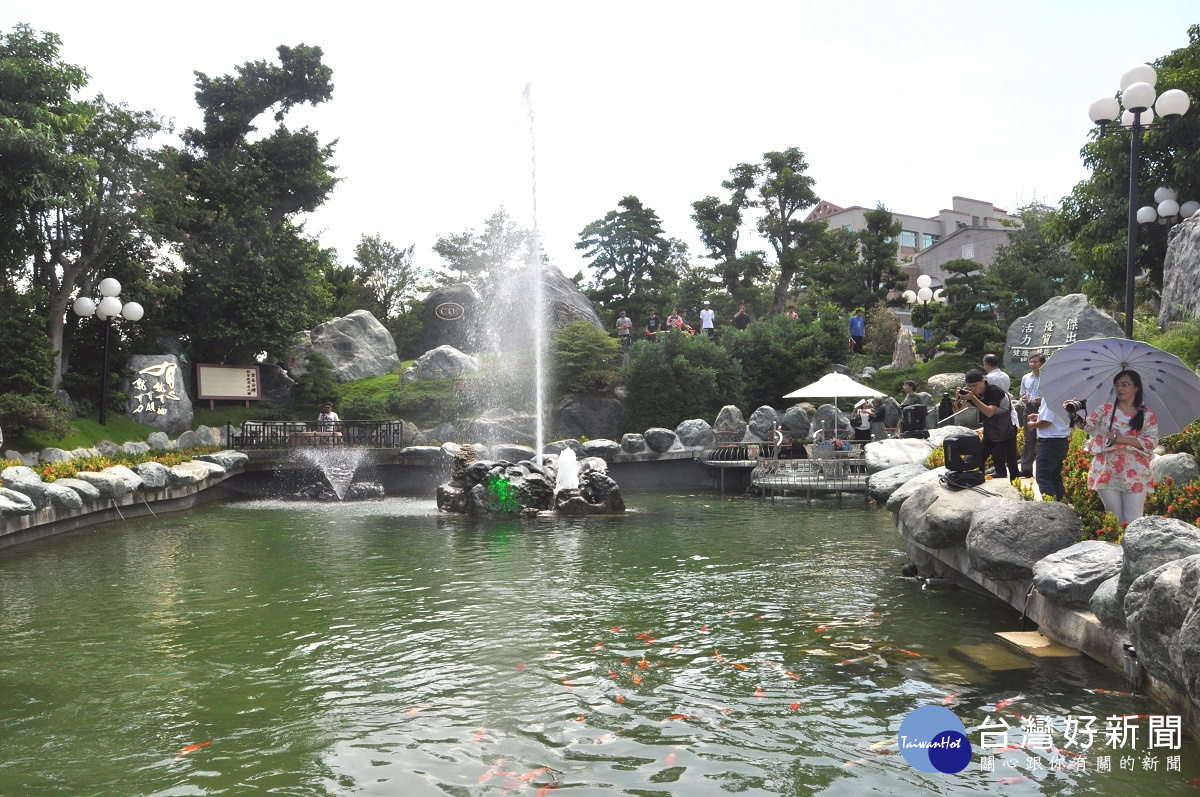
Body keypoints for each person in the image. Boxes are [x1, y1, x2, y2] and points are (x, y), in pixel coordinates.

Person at [1067, 369, 1158, 526]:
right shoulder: (1106, 409)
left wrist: (1121, 439)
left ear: (1136, 387)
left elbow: (1151, 442)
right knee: (1114, 519)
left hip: (1136, 471)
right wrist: (1073, 415)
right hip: (1106, 469)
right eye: (1117, 385)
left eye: (1125, 384)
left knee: (1134, 519)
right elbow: (1087, 426)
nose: (1120, 389)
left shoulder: (1146, 415)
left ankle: (1132, 549)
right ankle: (1117, 549)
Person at [956, 369, 1018, 481]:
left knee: (1011, 460)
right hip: (993, 428)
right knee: (980, 456)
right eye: (970, 386)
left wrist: (973, 399)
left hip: (1007, 425)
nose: (973, 389)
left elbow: (989, 412)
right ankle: (977, 480)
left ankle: (1016, 486)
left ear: (983, 381)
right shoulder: (976, 394)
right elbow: (957, 410)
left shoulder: (995, 391)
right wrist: (960, 399)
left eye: (975, 385)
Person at [1027, 394, 1071, 500]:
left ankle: (1052, 507)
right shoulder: (1062, 396)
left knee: (1043, 476)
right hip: (1060, 441)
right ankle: (1061, 505)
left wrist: (1032, 425)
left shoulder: (1050, 398)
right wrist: (1039, 416)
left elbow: (1046, 422)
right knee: (1055, 476)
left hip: (1050, 442)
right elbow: (1054, 417)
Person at [1018, 353, 1046, 478]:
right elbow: (1022, 393)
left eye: (1035, 362)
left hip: (1044, 409)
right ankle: (1026, 469)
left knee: (1044, 439)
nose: (1032, 364)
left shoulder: (1047, 377)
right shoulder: (1026, 378)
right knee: (1029, 440)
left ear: (1042, 363)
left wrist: (1043, 400)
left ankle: (1042, 469)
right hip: (1029, 409)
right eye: (1031, 362)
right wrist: (1023, 398)